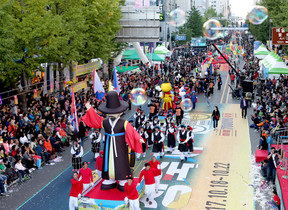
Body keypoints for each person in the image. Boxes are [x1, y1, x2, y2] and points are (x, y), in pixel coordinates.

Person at [82, 91, 144, 191]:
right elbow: (95, 119)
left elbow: (131, 131)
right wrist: (90, 109)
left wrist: (139, 138)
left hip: (119, 145)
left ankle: (123, 179)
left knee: (121, 161)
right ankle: (110, 179)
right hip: (108, 145)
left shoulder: (123, 123)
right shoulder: (105, 122)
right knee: (108, 160)